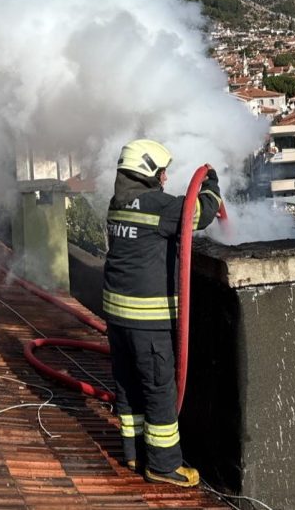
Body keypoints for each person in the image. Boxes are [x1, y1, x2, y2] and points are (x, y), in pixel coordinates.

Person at [102, 139, 222, 488]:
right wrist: (212, 184)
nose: (166, 177)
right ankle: (164, 465)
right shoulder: (158, 205)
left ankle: (134, 452)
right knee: (158, 390)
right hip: (148, 321)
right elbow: (200, 214)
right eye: (161, 171)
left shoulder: (117, 202)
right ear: (147, 172)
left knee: (128, 387)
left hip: (117, 316)